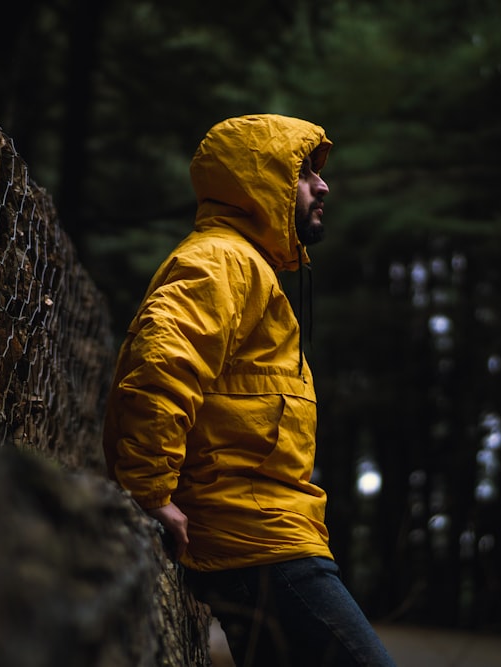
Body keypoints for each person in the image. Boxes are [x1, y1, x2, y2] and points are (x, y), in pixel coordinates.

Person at [102, 114, 396, 666]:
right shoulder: (222, 260)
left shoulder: (246, 267)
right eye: (304, 171)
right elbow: (162, 363)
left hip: (265, 531)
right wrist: (151, 491)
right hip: (257, 542)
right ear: (260, 183)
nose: (323, 185)